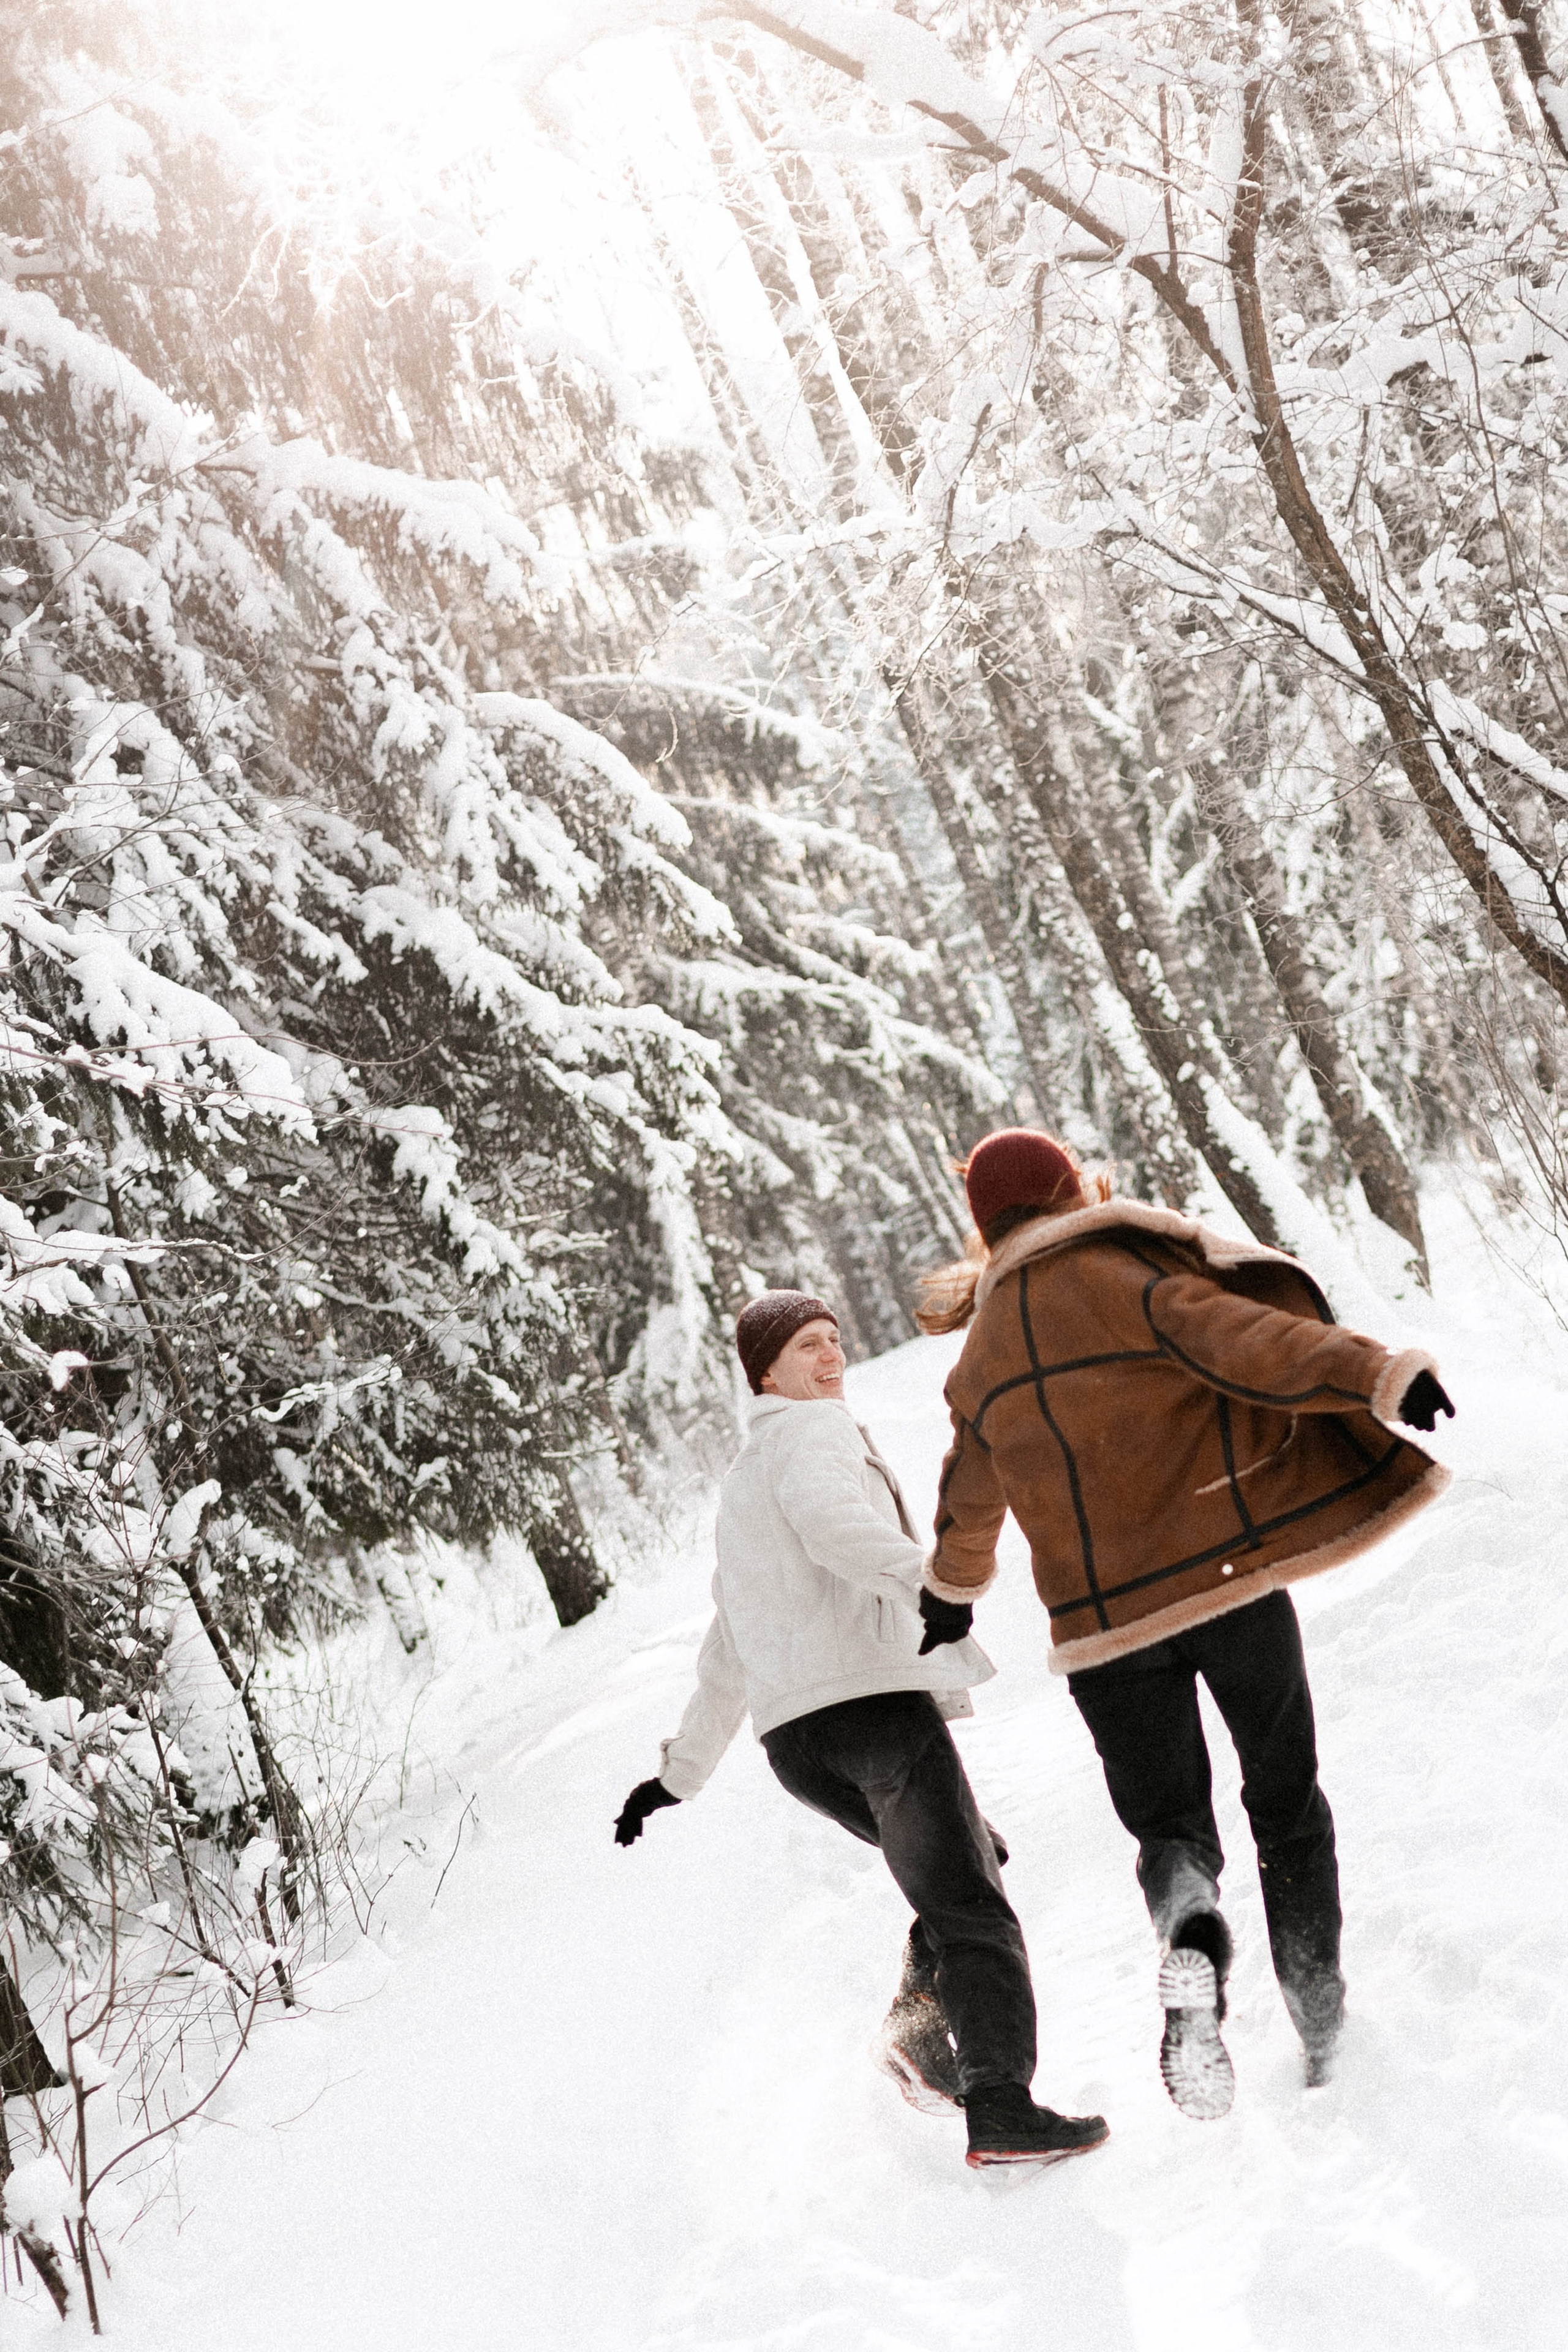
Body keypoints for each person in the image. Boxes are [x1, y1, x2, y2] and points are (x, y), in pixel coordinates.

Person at [914, 1130, 1453, 2118]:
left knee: (1169, 1825)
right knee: (1285, 1799)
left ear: (984, 1224)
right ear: (1070, 1189)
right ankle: (1320, 2018)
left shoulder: (983, 1353)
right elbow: (1257, 1343)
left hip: (1103, 1634)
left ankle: (1188, 1913)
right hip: (1229, 1589)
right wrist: (1383, 1373)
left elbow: (967, 1497)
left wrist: (951, 1590)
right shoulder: (1124, 1276)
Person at [613, 1287, 1109, 2173]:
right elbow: (835, 1524)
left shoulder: (743, 1480)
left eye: (837, 1339)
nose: (832, 1357)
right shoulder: (811, 1436)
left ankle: (921, 2036)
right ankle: (999, 2106)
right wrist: (936, 1587)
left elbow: (731, 1638)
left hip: (799, 1747)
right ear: (767, 1370)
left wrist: (678, 1775)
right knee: (971, 1908)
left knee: (967, 1862)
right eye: (809, 1345)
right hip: (872, 1714)